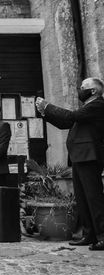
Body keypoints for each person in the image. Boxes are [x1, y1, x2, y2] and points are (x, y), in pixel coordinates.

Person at [36, 78, 104, 250]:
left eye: (83, 87)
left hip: (89, 157)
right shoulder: (86, 108)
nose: (80, 89)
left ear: (94, 91)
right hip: (79, 157)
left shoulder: (97, 105)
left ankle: (102, 236)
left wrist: (48, 106)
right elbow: (66, 123)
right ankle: (89, 235)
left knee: (93, 197)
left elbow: (71, 116)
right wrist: (45, 113)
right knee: (82, 199)